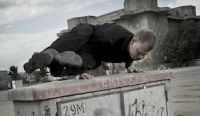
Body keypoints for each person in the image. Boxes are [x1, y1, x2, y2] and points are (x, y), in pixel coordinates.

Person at [24, 23, 156, 79]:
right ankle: (48, 54)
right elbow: (90, 40)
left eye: (144, 55)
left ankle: (56, 64)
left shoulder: (131, 53)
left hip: (95, 54)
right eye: (139, 52)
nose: (140, 57)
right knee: (82, 33)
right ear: (133, 41)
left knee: (93, 61)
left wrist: (129, 66)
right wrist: (75, 54)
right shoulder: (115, 34)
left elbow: (130, 55)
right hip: (89, 36)